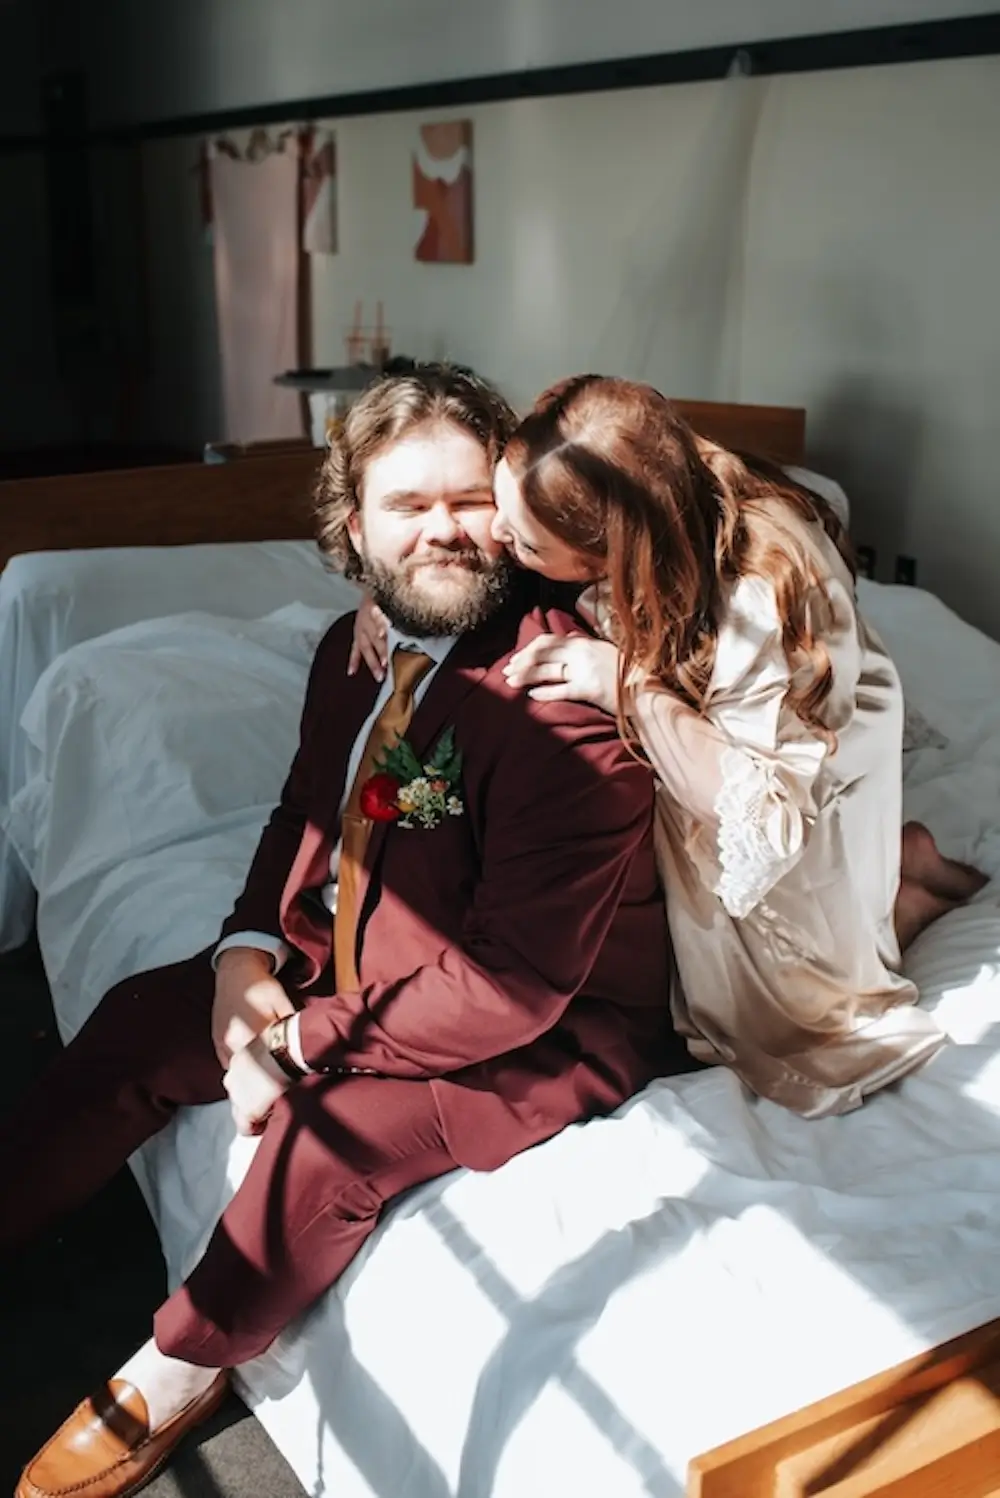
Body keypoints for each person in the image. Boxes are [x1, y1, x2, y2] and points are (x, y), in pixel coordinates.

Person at [3, 366, 687, 1498]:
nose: (444, 532)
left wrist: (296, 1044)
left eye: (469, 502)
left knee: (321, 1144)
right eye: (407, 506)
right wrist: (243, 954)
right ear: (355, 530)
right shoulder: (352, 649)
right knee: (140, 1020)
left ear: (516, 509)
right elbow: (305, 816)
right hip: (366, 958)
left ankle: (182, 1366)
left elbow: (515, 986)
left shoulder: (562, 708)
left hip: (546, 1023)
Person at [352, 374, 986, 1120]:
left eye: (525, 542)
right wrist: (396, 588)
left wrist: (627, 685)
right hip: (711, 711)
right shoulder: (581, 460)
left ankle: (896, 895)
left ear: (603, 551)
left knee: (790, 1009)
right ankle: (894, 873)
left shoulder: (760, 595)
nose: (500, 544)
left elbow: (758, 811)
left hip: (787, 746)